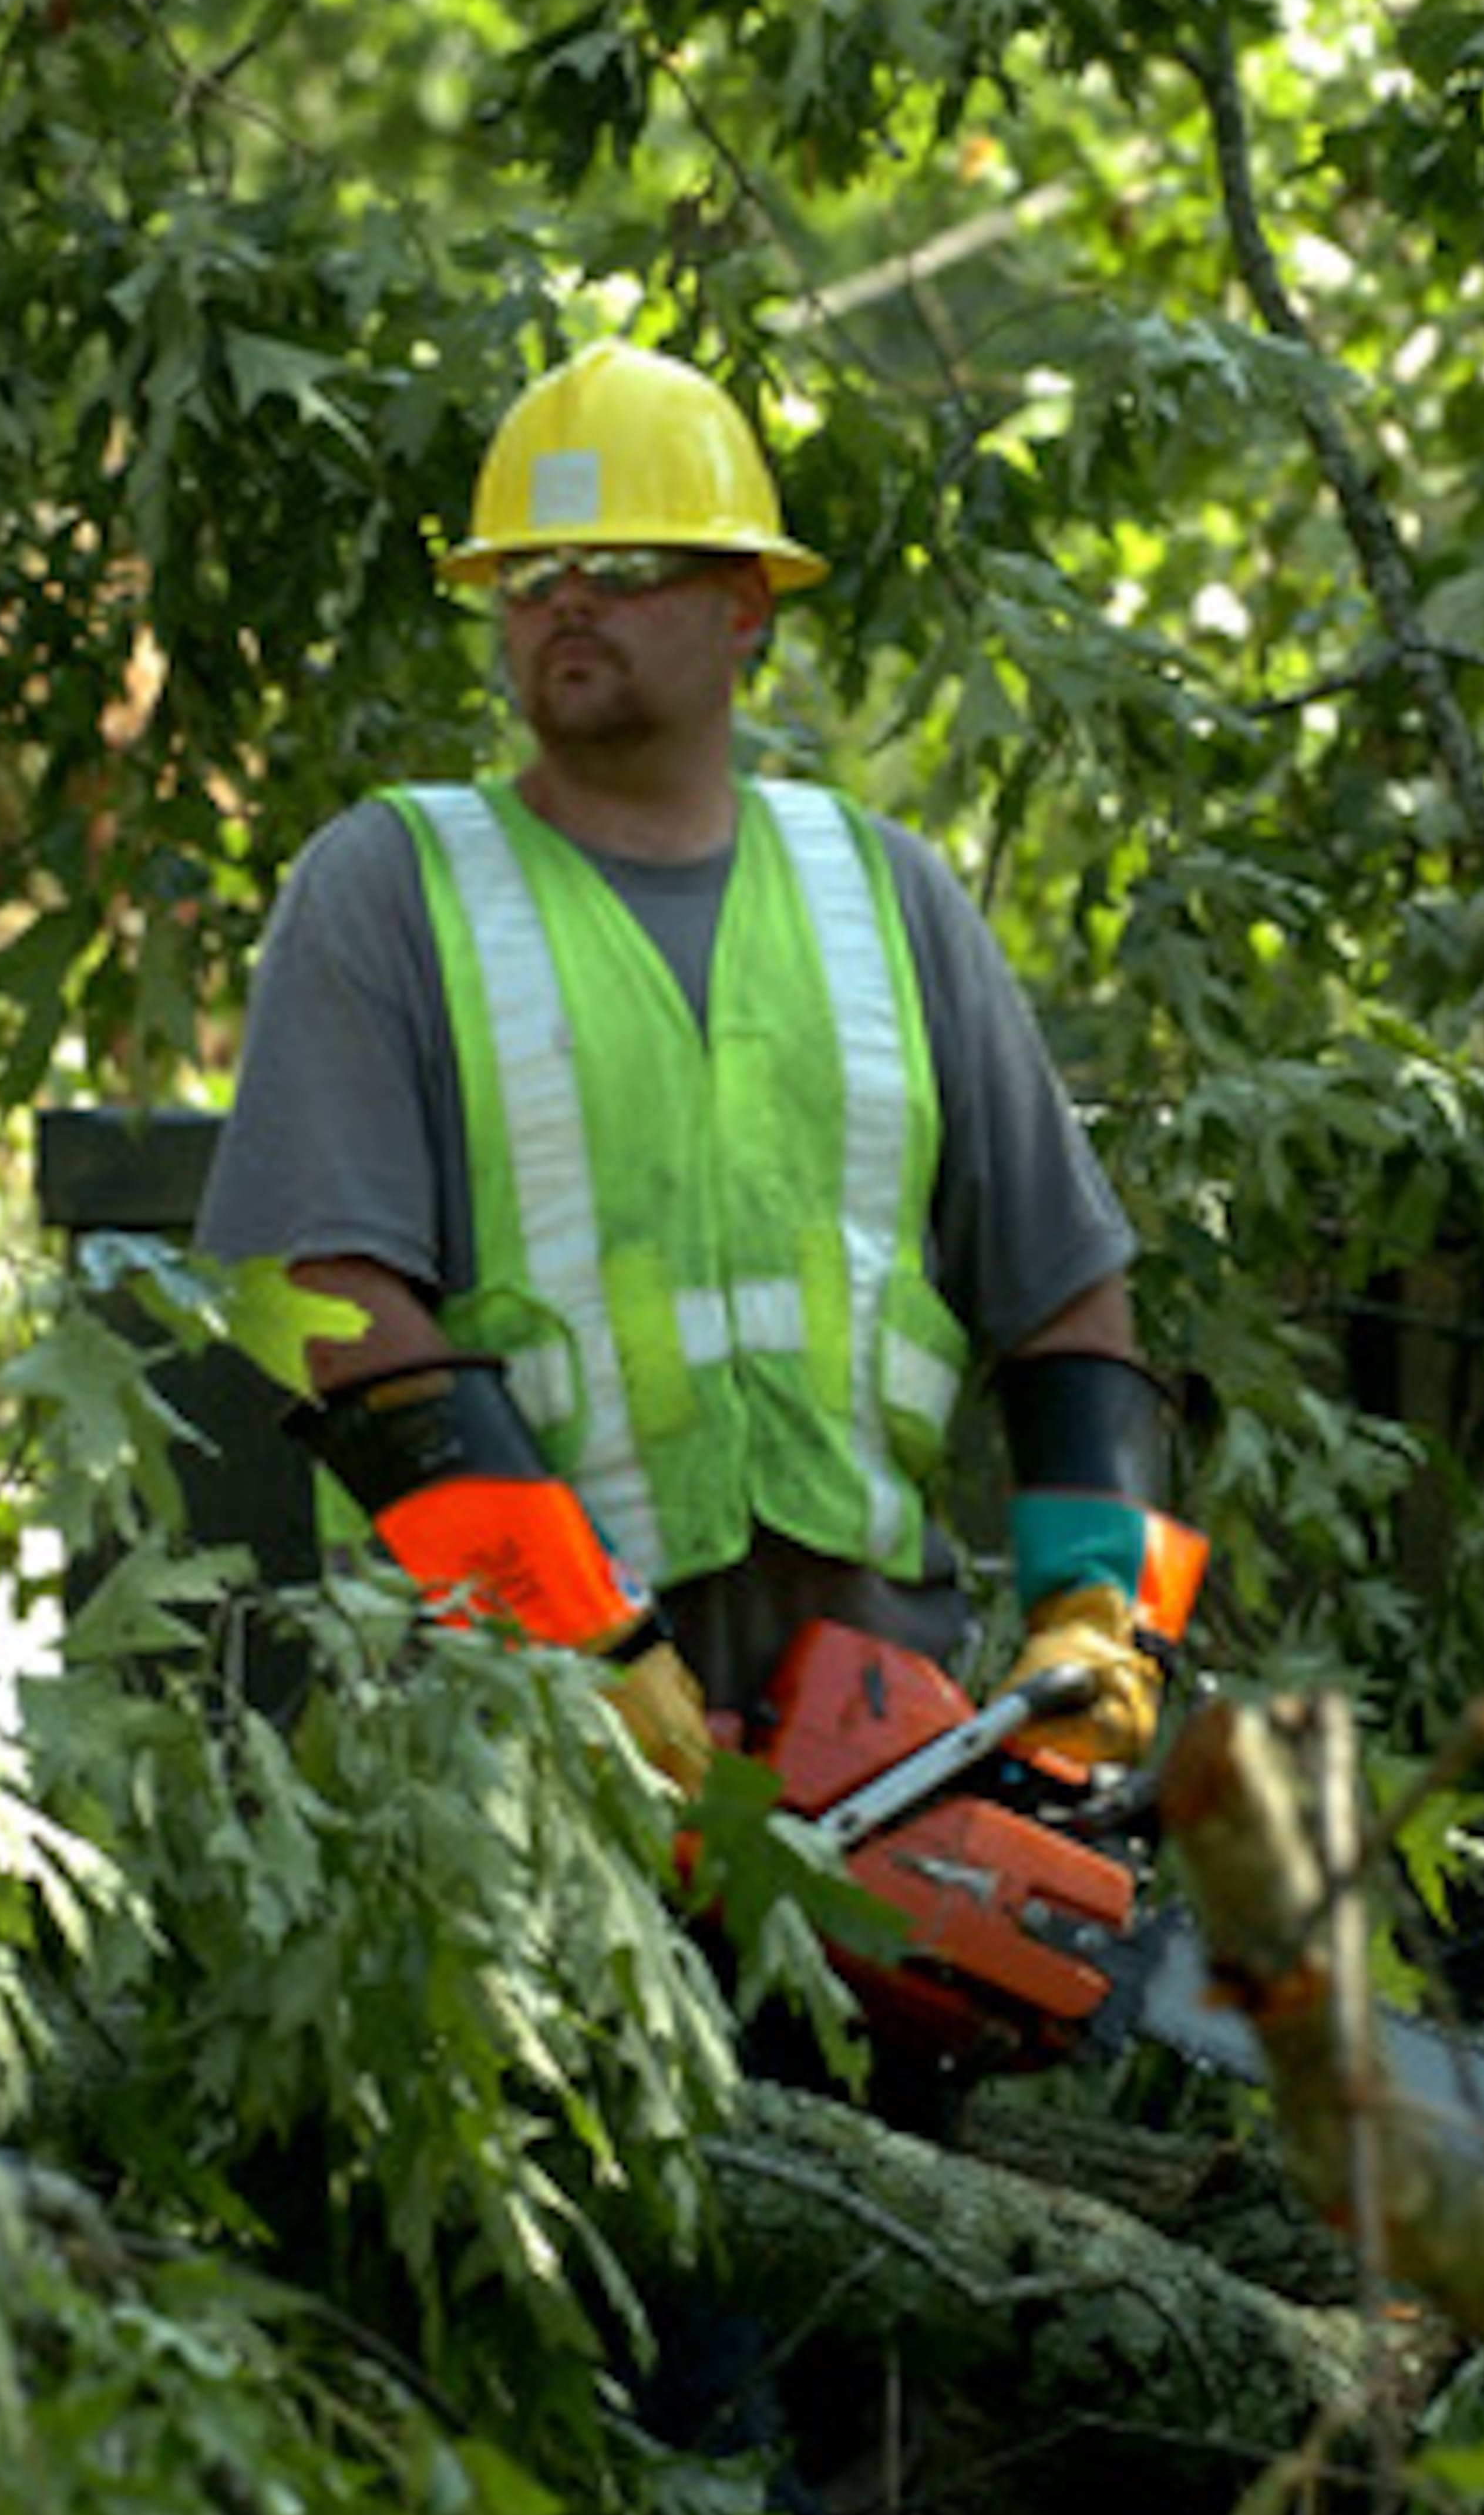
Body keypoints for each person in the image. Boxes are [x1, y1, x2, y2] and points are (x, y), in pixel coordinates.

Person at [196, 339, 1204, 1791]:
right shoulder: (390, 886)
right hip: (508, 1730)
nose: (568, 603)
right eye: (529, 577)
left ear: (745, 606)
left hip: (885, 1718)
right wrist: (575, 1641)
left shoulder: (887, 894)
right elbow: (314, 1296)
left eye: (619, 559)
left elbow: (1066, 1293)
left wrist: (1104, 1620)